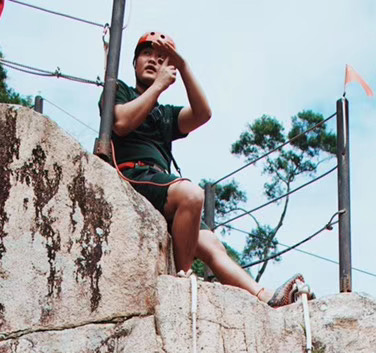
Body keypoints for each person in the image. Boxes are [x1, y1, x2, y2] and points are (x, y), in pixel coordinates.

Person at [101, 32, 305, 305]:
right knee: (192, 195)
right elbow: (122, 123)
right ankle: (183, 278)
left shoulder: (164, 113)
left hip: (159, 183)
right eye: (147, 54)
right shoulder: (120, 91)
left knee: (212, 245)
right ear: (135, 61)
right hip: (133, 174)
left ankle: (265, 297)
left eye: (161, 59)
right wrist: (158, 86)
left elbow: (202, 114)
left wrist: (184, 67)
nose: (153, 61)